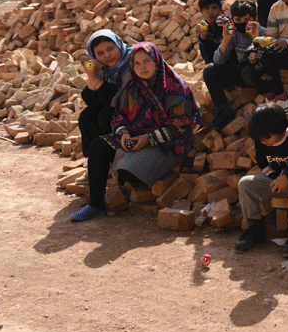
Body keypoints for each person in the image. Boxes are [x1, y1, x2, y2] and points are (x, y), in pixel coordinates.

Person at [70, 42, 198, 222]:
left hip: (169, 143)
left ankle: (136, 169)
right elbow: (119, 117)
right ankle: (96, 205)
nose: (142, 67)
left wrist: (148, 139)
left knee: (126, 175)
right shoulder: (133, 87)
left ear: (156, 59)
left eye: (146, 61)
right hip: (139, 138)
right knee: (99, 145)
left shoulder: (174, 86)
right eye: (136, 63)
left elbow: (180, 126)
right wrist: (123, 134)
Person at [234, 104, 288, 259]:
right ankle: (255, 230)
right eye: (259, 139)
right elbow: (263, 164)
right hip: (276, 182)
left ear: (279, 129)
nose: (263, 141)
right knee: (245, 183)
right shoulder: (261, 142)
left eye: (266, 138)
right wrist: (275, 178)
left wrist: (287, 178)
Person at [203, 0, 265, 131]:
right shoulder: (234, 34)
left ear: (255, 19)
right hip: (242, 73)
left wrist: (256, 39)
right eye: (238, 20)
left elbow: (266, 61)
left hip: (259, 75)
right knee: (210, 70)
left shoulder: (263, 32)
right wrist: (225, 40)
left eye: (246, 19)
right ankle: (224, 110)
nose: (242, 23)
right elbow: (218, 62)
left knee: (247, 72)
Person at [78, 30, 134, 156]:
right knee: (87, 115)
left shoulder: (131, 61)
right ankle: (95, 159)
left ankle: (118, 157)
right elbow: (92, 102)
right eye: (100, 53)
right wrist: (91, 75)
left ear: (118, 44)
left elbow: (118, 101)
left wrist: (95, 79)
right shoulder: (104, 69)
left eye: (110, 49)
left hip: (138, 111)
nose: (107, 55)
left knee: (107, 115)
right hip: (117, 107)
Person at [196, 0, 224, 65]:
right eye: (207, 8)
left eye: (214, 8)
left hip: (230, 59)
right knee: (202, 45)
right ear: (201, 11)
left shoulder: (225, 21)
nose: (211, 12)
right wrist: (204, 36)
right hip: (215, 62)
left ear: (221, 10)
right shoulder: (202, 27)